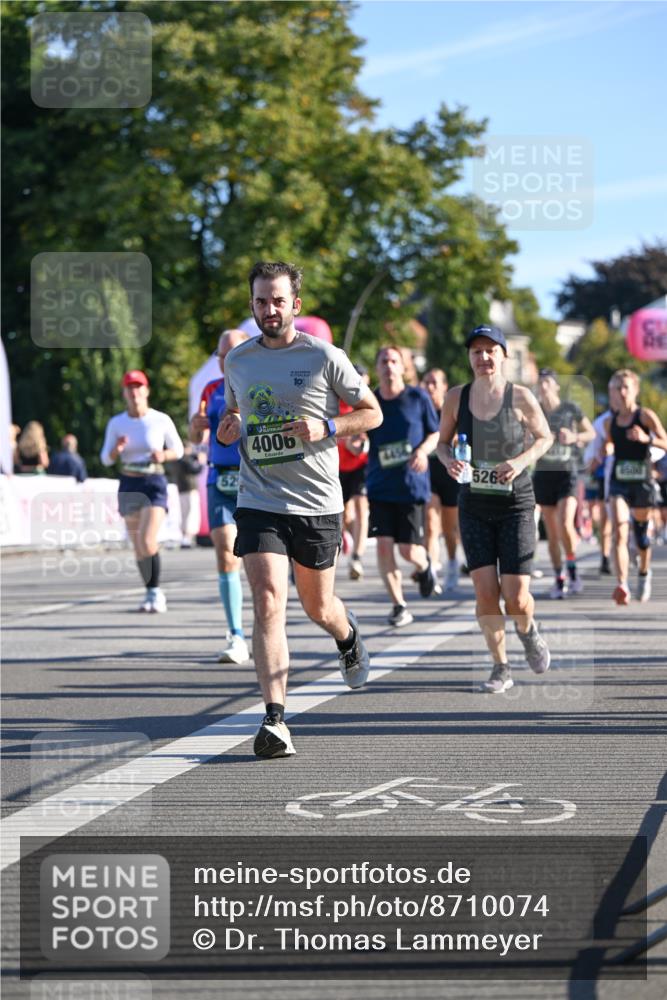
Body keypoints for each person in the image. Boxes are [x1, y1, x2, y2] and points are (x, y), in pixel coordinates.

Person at [219, 261, 383, 758]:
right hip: (259, 497)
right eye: (261, 301)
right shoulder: (239, 361)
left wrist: (328, 428)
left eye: (277, 300)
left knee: (318, 607)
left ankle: (347, 633)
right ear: (252, 306)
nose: (269, 309)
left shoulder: (325, 356)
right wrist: (229, 427)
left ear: (296, 304)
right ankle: (275, 720)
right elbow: (234, 414)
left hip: (316, 502)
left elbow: (372, 412)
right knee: (268, 599)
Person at [437, 325, 553, 694]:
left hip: (516, 503)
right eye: (476, 352)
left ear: (503, 355)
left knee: (516, 596)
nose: (483, 358)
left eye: (490, 351)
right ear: (469, 358)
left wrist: (519, 462)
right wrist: (449, 462)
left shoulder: (520, 397)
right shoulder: (457, 397)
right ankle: (500, 665)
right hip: (473, 504)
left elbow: (545, 437)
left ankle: (528, 629)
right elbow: (442, 444)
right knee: (486, 592)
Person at [189, 328, 251, 663]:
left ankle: (267, 625)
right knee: (227, 553)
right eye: (222, 355)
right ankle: (236, 634)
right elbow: (195, 432)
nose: (226, 360)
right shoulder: (210, 389)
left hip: (256, 480)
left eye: (233, 353)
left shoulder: (260, 387)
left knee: (259, 561)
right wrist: (196, 424)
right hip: (220, 480)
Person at [366, 346, 439, 627]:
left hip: (410, 486)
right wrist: (358, 442)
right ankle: (399, 605)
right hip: (380, 485)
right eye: (383, 360)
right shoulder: (369, 399)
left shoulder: (417, 397)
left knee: (409, 551)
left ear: (403, 367)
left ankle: (425, 566)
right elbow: (362, 434)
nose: (388, 365)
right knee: (384, 547)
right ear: (377, 367)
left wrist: (422, 452)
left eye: (394, 361)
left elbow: (435, 433)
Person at [100, 370, 184, 613]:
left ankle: (157, 593)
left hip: (153, 481)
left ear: (146, 391)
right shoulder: (117, 423)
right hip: (129, 482)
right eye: (129, 388)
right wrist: (117, 449)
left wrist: (163, 455)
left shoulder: (160, 420)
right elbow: (105, 459)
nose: (134, 392)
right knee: (137, 545)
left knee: (148, 540)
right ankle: (149, 591)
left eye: (138, 387)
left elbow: (177, 449)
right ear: (124, 393)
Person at [598, 369, 667, 604]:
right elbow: (608, 444)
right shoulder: (610, 422)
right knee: (619, 528)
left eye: (626, 387)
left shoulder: (645, 416)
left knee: (641, 538)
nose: (622, 392)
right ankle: (622, 584)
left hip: (642, 482)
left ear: (635, 390)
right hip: (619, 481)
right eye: (617, 388)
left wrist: (647, 438)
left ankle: (644, 573)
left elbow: (665, 442)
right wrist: (605, 450)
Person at [532, 369, 595, 598]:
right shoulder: (534, 409)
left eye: (548, 381)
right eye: (541, 382)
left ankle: (573, 571)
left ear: (556, 386)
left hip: (567, 473)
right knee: (551, 531)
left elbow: (591, 433)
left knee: (565, 523)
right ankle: (559, 578)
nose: (544, 386)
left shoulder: (569, 409)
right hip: (543, 474)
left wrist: (575, 437)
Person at [421, 367, 461, 593]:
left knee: (449, 528)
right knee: (430, 522)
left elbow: (461, 437)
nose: (430, 387)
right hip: (428, 473)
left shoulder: (452, 409)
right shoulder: (419, 408)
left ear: (444, 387)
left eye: (435, 382)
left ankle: (453, 563)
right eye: (426, 382)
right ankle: (432, 570)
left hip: (450, 472)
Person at [338, 362, 370, 580]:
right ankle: (346, 536)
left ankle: (357, 557)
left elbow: (371, 435)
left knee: (360, 505)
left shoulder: (367, 403)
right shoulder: (336, 403)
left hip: (360, 465)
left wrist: (361, 447)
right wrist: (346, 442)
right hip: (337, 466)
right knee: (343, 514)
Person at [173, 442, 205, 548]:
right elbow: (196, 470)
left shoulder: (179, 460)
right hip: (189, 489)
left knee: (185, 514)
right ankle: (187, 538)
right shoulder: (185, 459)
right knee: (190, 514)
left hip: (182, 490)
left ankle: (185, 537)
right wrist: (201, 462)